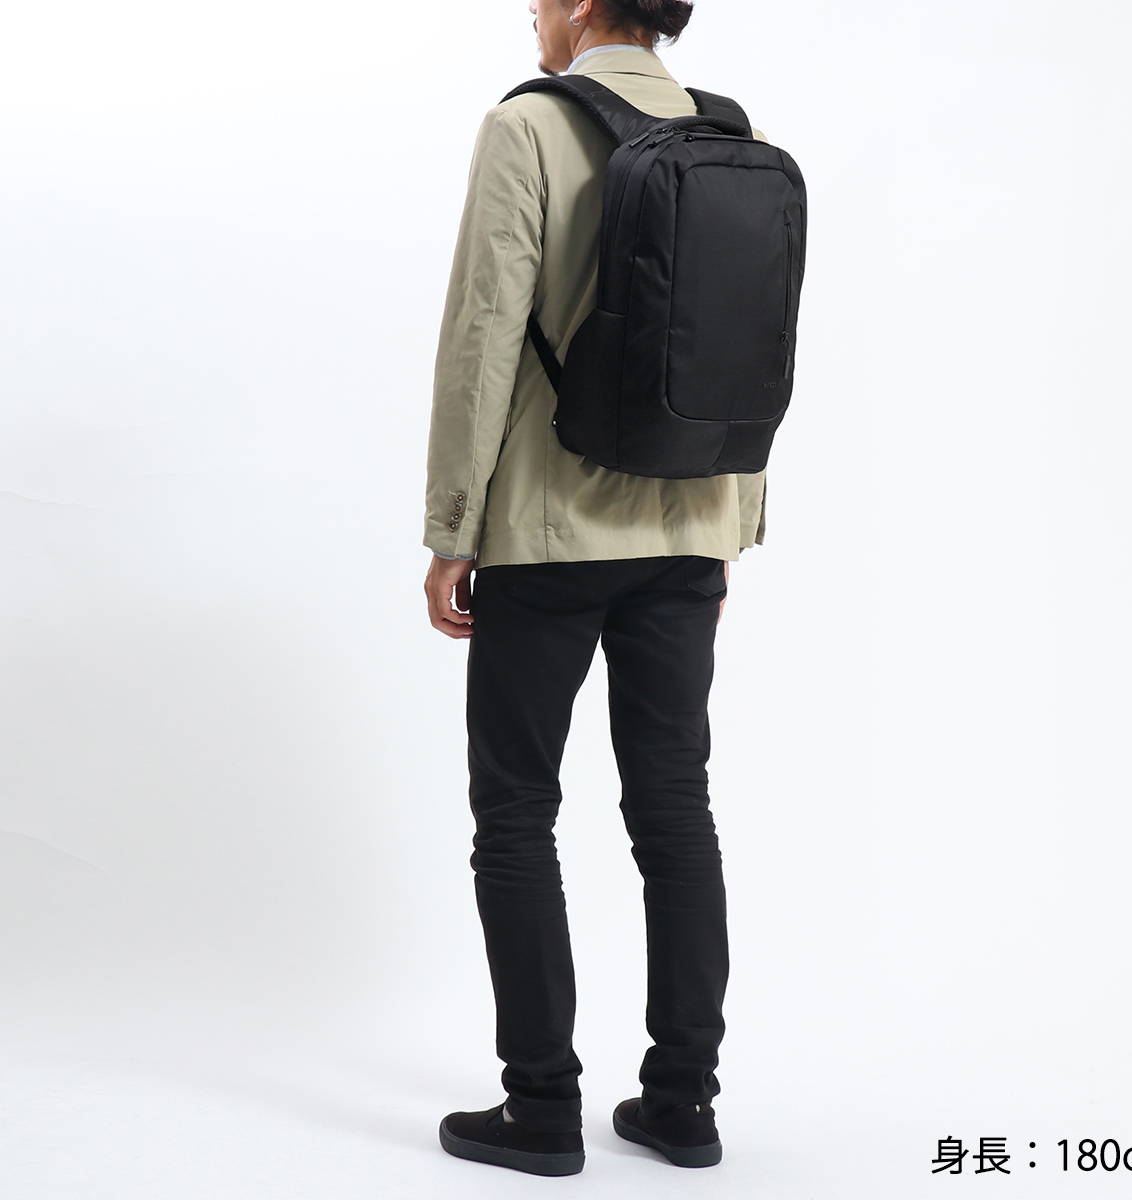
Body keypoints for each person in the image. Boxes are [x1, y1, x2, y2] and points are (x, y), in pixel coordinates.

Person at [424, 0, 769, 1177]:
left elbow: (485, 331)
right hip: (689, 527)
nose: (529, 9)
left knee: (518, 811)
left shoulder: (528, 127)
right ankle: (683, 1106)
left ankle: (540, 1109)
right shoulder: (730, 135)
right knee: (674, 808)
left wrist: (453, 527)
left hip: (547, 528)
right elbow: (748, 344)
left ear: (581, 3)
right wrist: (731, 529)